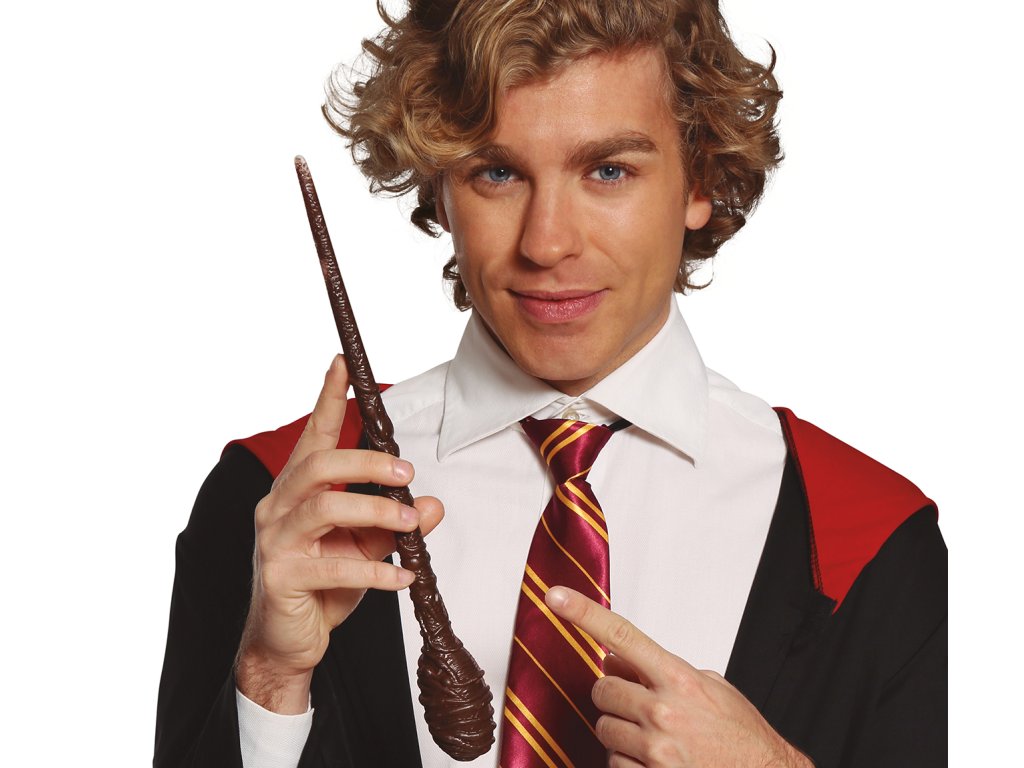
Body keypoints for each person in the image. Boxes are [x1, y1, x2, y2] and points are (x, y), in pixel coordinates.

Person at [154, 1, 947, 766]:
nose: (547, 242)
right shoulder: (281, 506)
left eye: (608, 170)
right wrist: (269, 679)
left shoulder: (864, 535)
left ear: (701, 180)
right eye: (497, 172)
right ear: (439, 186)